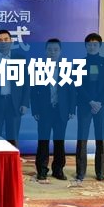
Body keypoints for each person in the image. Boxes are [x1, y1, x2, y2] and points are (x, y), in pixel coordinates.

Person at [30, 39, 76, 182]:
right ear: (45, 51)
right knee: (43, 141)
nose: (52, 52)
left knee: (59, 142)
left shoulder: (67, 68)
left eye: (55, 50)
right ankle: (42, 170)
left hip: (61, 110)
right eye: (50, 50)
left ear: (60, 51)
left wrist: (72, 109)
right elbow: (33, 91)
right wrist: (35, 110)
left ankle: (58, 170)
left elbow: (72, 91)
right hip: (44, 110)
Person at [75, 33, 104, 183]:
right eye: (89, 44)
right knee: (82, 139)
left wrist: (98, 102)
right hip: (85, 105)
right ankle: (80, 172)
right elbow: (78, 85)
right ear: (85, 46)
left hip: (102, 105)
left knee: (101, 139)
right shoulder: (79, 63)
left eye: (95, 44)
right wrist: (90, 101)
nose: (92, 47)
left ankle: (100, 172)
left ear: (100, 46)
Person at [0, 29, 29, 146]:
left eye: (5, 39)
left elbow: (27, 84)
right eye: (0, 40)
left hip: (14, 104)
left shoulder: (20, 59)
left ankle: (12, 158)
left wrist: (25, 103)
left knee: (13, 137)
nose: (3, 42)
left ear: (11, 41)